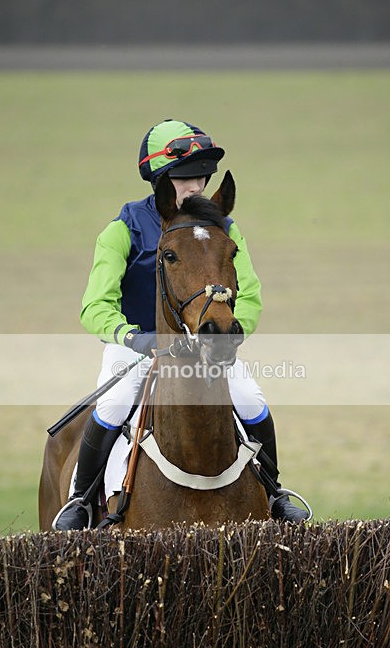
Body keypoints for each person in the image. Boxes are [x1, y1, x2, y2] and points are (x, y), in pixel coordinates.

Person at [53, 119, 308, 530]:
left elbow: (252, 294)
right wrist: (136, 338)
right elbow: (95, 306)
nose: (195, 185)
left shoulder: (223, 228)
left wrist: (231, 332)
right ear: (160, 180)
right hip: (137, 345)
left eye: (201, 176)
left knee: (251, 400)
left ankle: (275, 494)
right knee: (115, 404)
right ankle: (81, 501)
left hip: (208, 343)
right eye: (184, 176)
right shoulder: (122, 230)